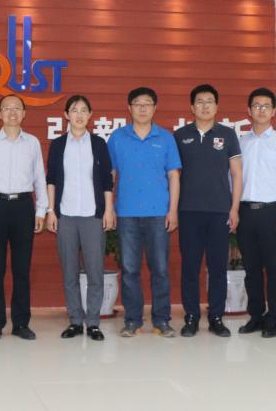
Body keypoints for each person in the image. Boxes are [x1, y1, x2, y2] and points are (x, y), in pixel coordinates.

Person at [0, 94, 48, 341]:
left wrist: (41, 210)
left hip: (23, 206)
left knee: (21, 269)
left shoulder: (32, 143)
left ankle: (21, 323)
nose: (12, 112)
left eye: (17, 108)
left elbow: (40, 178)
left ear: (24, 113)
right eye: (7, 108)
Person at [107, 87, 182, 338]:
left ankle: (162, 320)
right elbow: (110, 175)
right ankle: (132, 320)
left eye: (147, 103)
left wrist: (173, 210)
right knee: (129, 269)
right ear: (129, 108)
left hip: (158, 213)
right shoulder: (117, 137)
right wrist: (109, 208)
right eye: (137, 103)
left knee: (160, 269)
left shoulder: (166, 138)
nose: (142, 108)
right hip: (126, 213)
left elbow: (174, 176)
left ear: (154, 108)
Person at [174, 84, 242, 338]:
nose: (204, 106)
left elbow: (237, 174)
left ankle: (216, 317)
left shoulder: (228, 134)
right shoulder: (180, 136)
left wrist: (234, 208)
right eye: (199, 102)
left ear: (216, 106)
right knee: (190, 267)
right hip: (188, 211)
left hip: (219, 211)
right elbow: (173, 175)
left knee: (217, 268)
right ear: (192, 107)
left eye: (209, 101)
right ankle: (191, 316)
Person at [45, 95, 115, 342]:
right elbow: (51, 180)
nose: (79, 115)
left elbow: (106, 180)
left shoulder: (98, 143)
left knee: (95, 271)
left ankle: (93, 322)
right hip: (65, 215)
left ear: (90, 115)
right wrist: (51, 210)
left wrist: (108, 210)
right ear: (66, 115)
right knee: (69, 271)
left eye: (84, 110)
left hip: (92, 216)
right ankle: (75, 320)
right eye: (74, 110)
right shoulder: (58, 145)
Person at [236, 87, 276, 339]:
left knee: (275, 270)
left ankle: (273, 319)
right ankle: (256, 316)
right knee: (251, 269)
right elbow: (233, 179)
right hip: (245, 212)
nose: (261, 110)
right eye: (256, 106)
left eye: (266, 106)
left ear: (273, 112)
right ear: (249, 111)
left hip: (272, 212)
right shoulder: (241, 142)